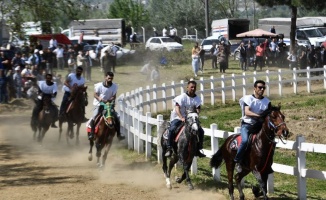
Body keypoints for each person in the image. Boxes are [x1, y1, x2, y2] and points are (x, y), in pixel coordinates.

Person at [234, 80, 271, 173]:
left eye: (263, 88)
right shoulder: (248, 99)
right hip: (247, 125)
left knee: (269, 141)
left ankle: (267, 163)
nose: (262, 89)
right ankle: (237, 160)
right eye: (260, 87)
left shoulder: (267, 102)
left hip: (259, 126)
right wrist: (259, 116)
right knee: (245, 140)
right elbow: (247, 112)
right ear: (255, 88)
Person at [165, 80, 206, 158]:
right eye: (191, 87)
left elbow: (198, 109)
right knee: (172, 129)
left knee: (200, 131)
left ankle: (198, 149)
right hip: (178, 117)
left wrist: (195, 115)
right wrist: (182, 118)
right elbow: (177, 109)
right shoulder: (182, 97)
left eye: (194, 87)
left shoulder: (197, 99)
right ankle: (169, 148)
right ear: (187, 87)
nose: (193, 89)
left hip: (190, 119)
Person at [88, 71, 125, 141]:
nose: (110, 80)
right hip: (99, 104)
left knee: (117, 117)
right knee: (95, 117)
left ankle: (119, 134)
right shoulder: (99, 86)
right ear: (105, 78)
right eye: (109, 78)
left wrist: (110, 99)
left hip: (109, 104)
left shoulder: (114, 86)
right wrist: (100, 99)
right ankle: (92, 133)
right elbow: (95, 94)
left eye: (111, 78)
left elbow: (114, 96)